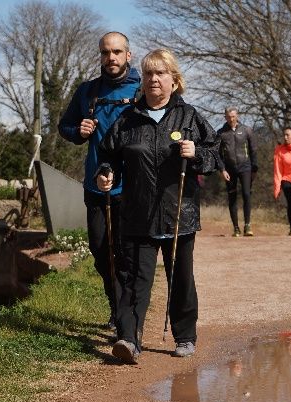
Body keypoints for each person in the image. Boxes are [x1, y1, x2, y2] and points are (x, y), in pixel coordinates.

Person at [96, 48, 221, 364]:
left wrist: (197, 154)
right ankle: (128, 338)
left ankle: (185, 337)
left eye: (161, 73)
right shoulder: (128, 119)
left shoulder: (189, 117)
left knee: (181, 279)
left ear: (174, 80)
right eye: (149, 73)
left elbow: (214, 156)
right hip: (137, 215)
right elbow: (108, 156)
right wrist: (105, 174)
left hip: (179, 214)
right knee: (135, 281)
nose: (154, 79)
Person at [58, 31, 141, 329]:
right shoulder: (87, 91)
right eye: (106, 53)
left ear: (128, 56)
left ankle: (126, 317)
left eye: (117, 52)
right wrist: (78, 131)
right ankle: (116, 306)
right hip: (96, 186)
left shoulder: (143, 89)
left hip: (132, 188)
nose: (111, 58)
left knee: (126, 254)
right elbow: (64, 127)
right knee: (101, 251)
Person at [218, 107, 258, 237]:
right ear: (225, 117)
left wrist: (254, 168)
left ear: (237, 116)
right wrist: (222, 170)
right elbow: (218, 155)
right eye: (228, 117)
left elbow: (253, 150)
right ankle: (236, 228)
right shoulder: (221, 133)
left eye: (233, 116)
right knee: (232, 197)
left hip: (245, 167)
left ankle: (247, 225)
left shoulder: (247, 130)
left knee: (246, 194)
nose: (231, 119)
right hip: (230, 169)